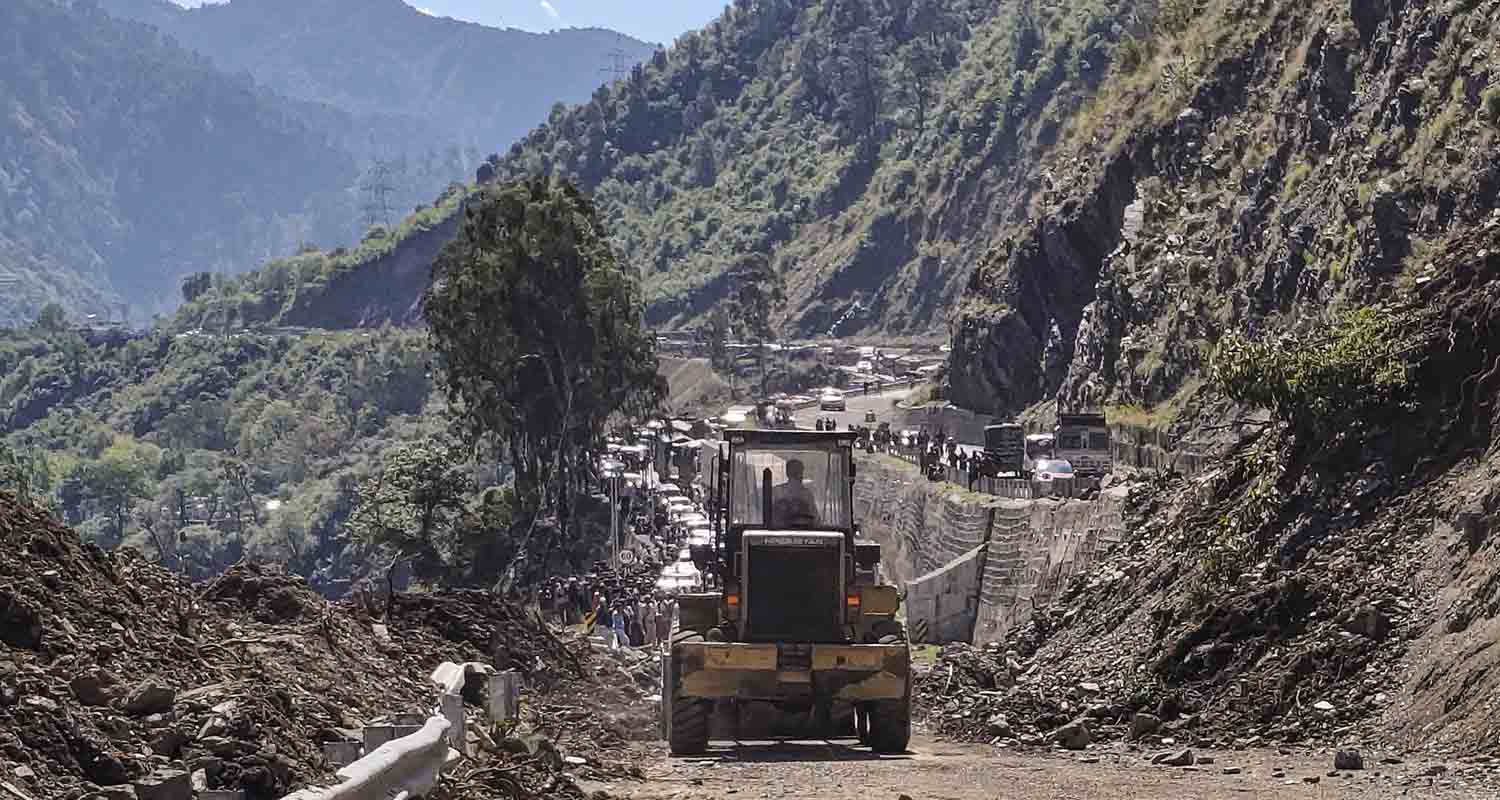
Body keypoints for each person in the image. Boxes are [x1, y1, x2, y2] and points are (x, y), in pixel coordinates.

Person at [771, 458, 820, 528]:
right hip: (800, 532)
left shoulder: (776, 491)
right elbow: (816, 520)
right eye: (799, 472)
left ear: (787, 473)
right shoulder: (806, 494)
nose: (801, 476)